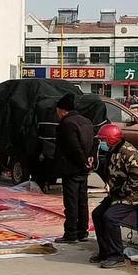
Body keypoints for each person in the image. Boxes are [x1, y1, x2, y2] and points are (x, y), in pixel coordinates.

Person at [90, 124, 138, 268]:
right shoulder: (113, 150)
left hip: (135, 194)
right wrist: (95, 166)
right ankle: (105, 252)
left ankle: (116, 255)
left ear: (111, 139)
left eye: (103, 140)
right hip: (118, 193)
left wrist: (120, 192)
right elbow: (110, 172)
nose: (102, 143)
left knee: (110, 217)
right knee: (97, 214)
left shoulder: (129, 153)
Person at [53, 93, 94, 243]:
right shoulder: (86, 121)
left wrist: (82, 161)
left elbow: (73, 148)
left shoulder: (67, 123)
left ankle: (71, 233)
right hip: (84, 167)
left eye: (57, 111)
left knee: (71, 202)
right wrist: (89, 159)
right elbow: (92, 142)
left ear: (63, 110)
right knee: (82, 201)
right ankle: (82, 231)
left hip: (72, 168)